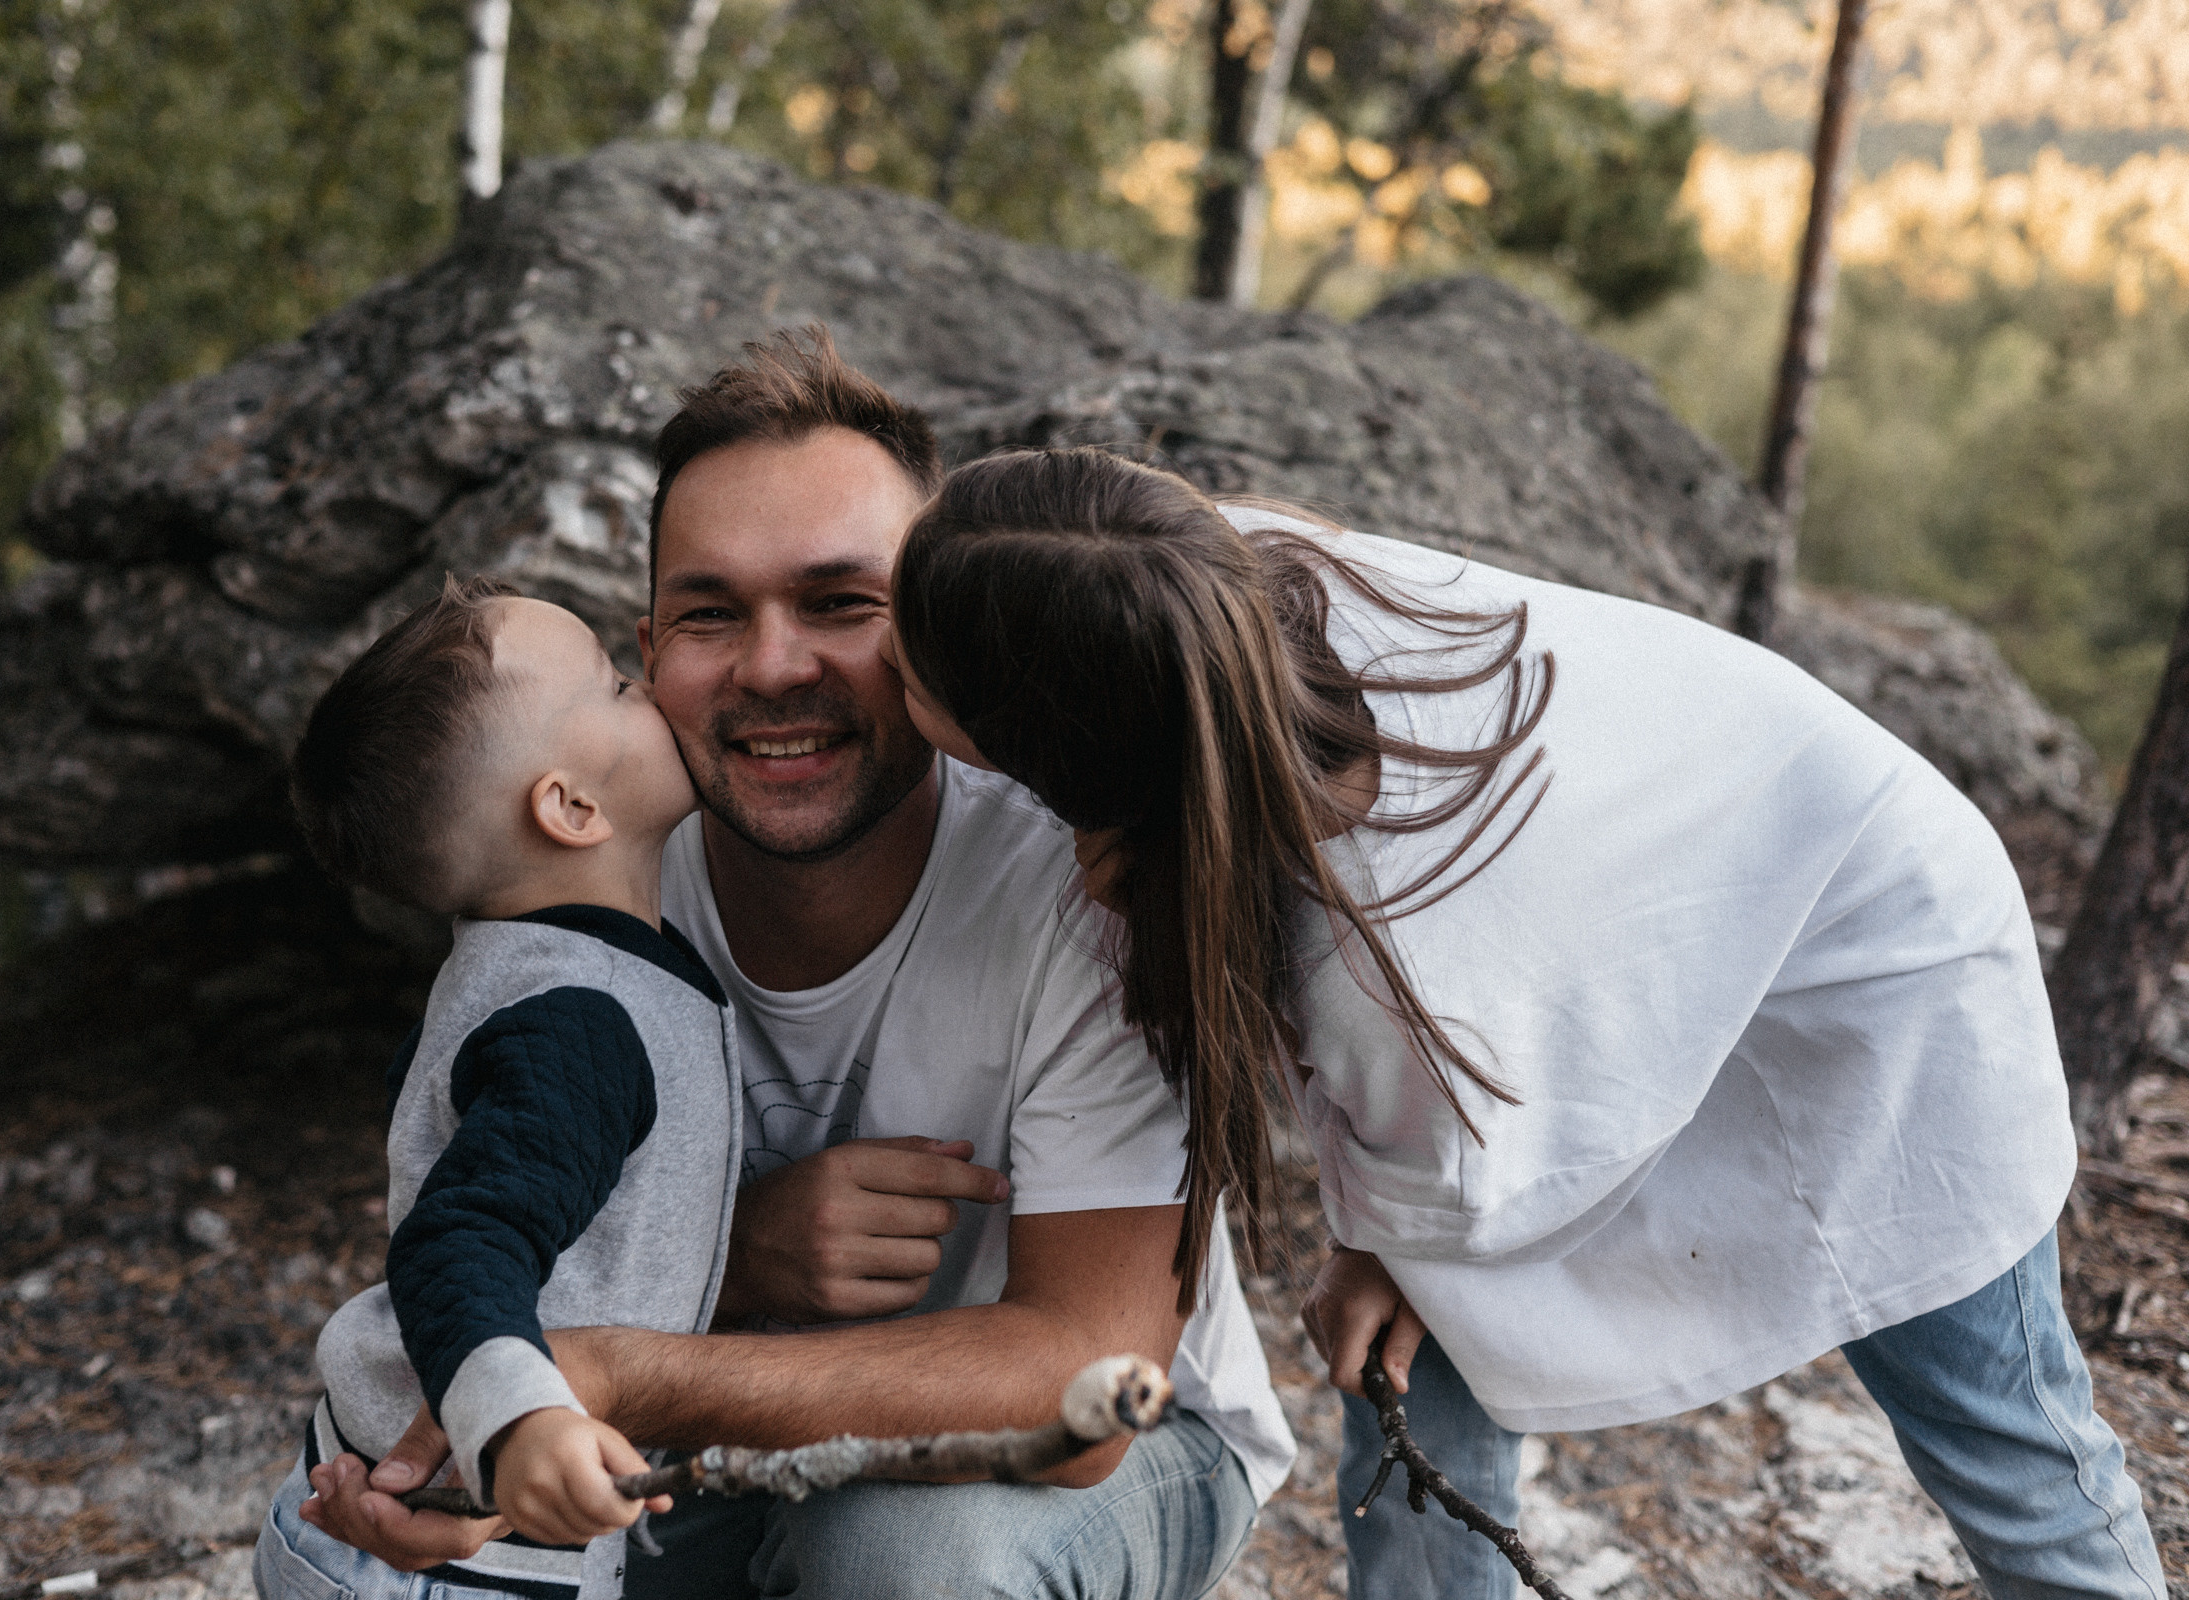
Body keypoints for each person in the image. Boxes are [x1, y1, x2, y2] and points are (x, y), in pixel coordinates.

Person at [884, 446, 2165, 1600]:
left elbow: (1464, 1185)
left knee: (2002, 1425)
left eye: (911, 668)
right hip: (1640, 934)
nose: (877, 665)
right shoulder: (1181, 602)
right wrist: (1402, 1235)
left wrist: (1387, 1238)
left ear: (1048, 755)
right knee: (1421, 1365)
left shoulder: (1379, 942)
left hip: (1878, 963)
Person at [298, 332, 1294, 1599]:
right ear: (649, 652)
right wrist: (732, 1251)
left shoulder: (1082, 885)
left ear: (934, 631)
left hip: (1099, 1446)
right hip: (713, 1453)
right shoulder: (582, 906)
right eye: (712, 613)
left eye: (840, 603)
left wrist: (616, 1369)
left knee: (899, 1563)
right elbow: (475, 1234)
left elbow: (1079, 1381)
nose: (773, 668)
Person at [258, 579, 738, 1600]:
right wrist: (523, 1421)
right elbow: (460, 1236)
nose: (648, 684)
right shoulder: (578, 1014)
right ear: (570, 806)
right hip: (457, 1556)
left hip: (392, 1516)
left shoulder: (515, 966)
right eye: (615, 684)